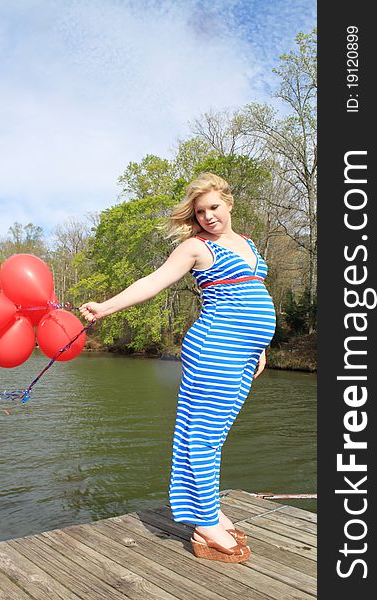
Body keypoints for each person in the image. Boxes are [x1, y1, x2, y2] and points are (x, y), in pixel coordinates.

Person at [79, 172, 276, 563]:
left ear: (229, 203)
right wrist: (106, 307)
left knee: (213, 436)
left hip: (245, 353)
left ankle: (208, 509)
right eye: (201, 212)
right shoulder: (195, 248)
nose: (208, 216)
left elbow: (254, 295)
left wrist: (262, 346)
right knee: (201, 435)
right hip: (215, 349)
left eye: (214, 207)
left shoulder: (248, 243)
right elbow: (153, 282)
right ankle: (203, 522)